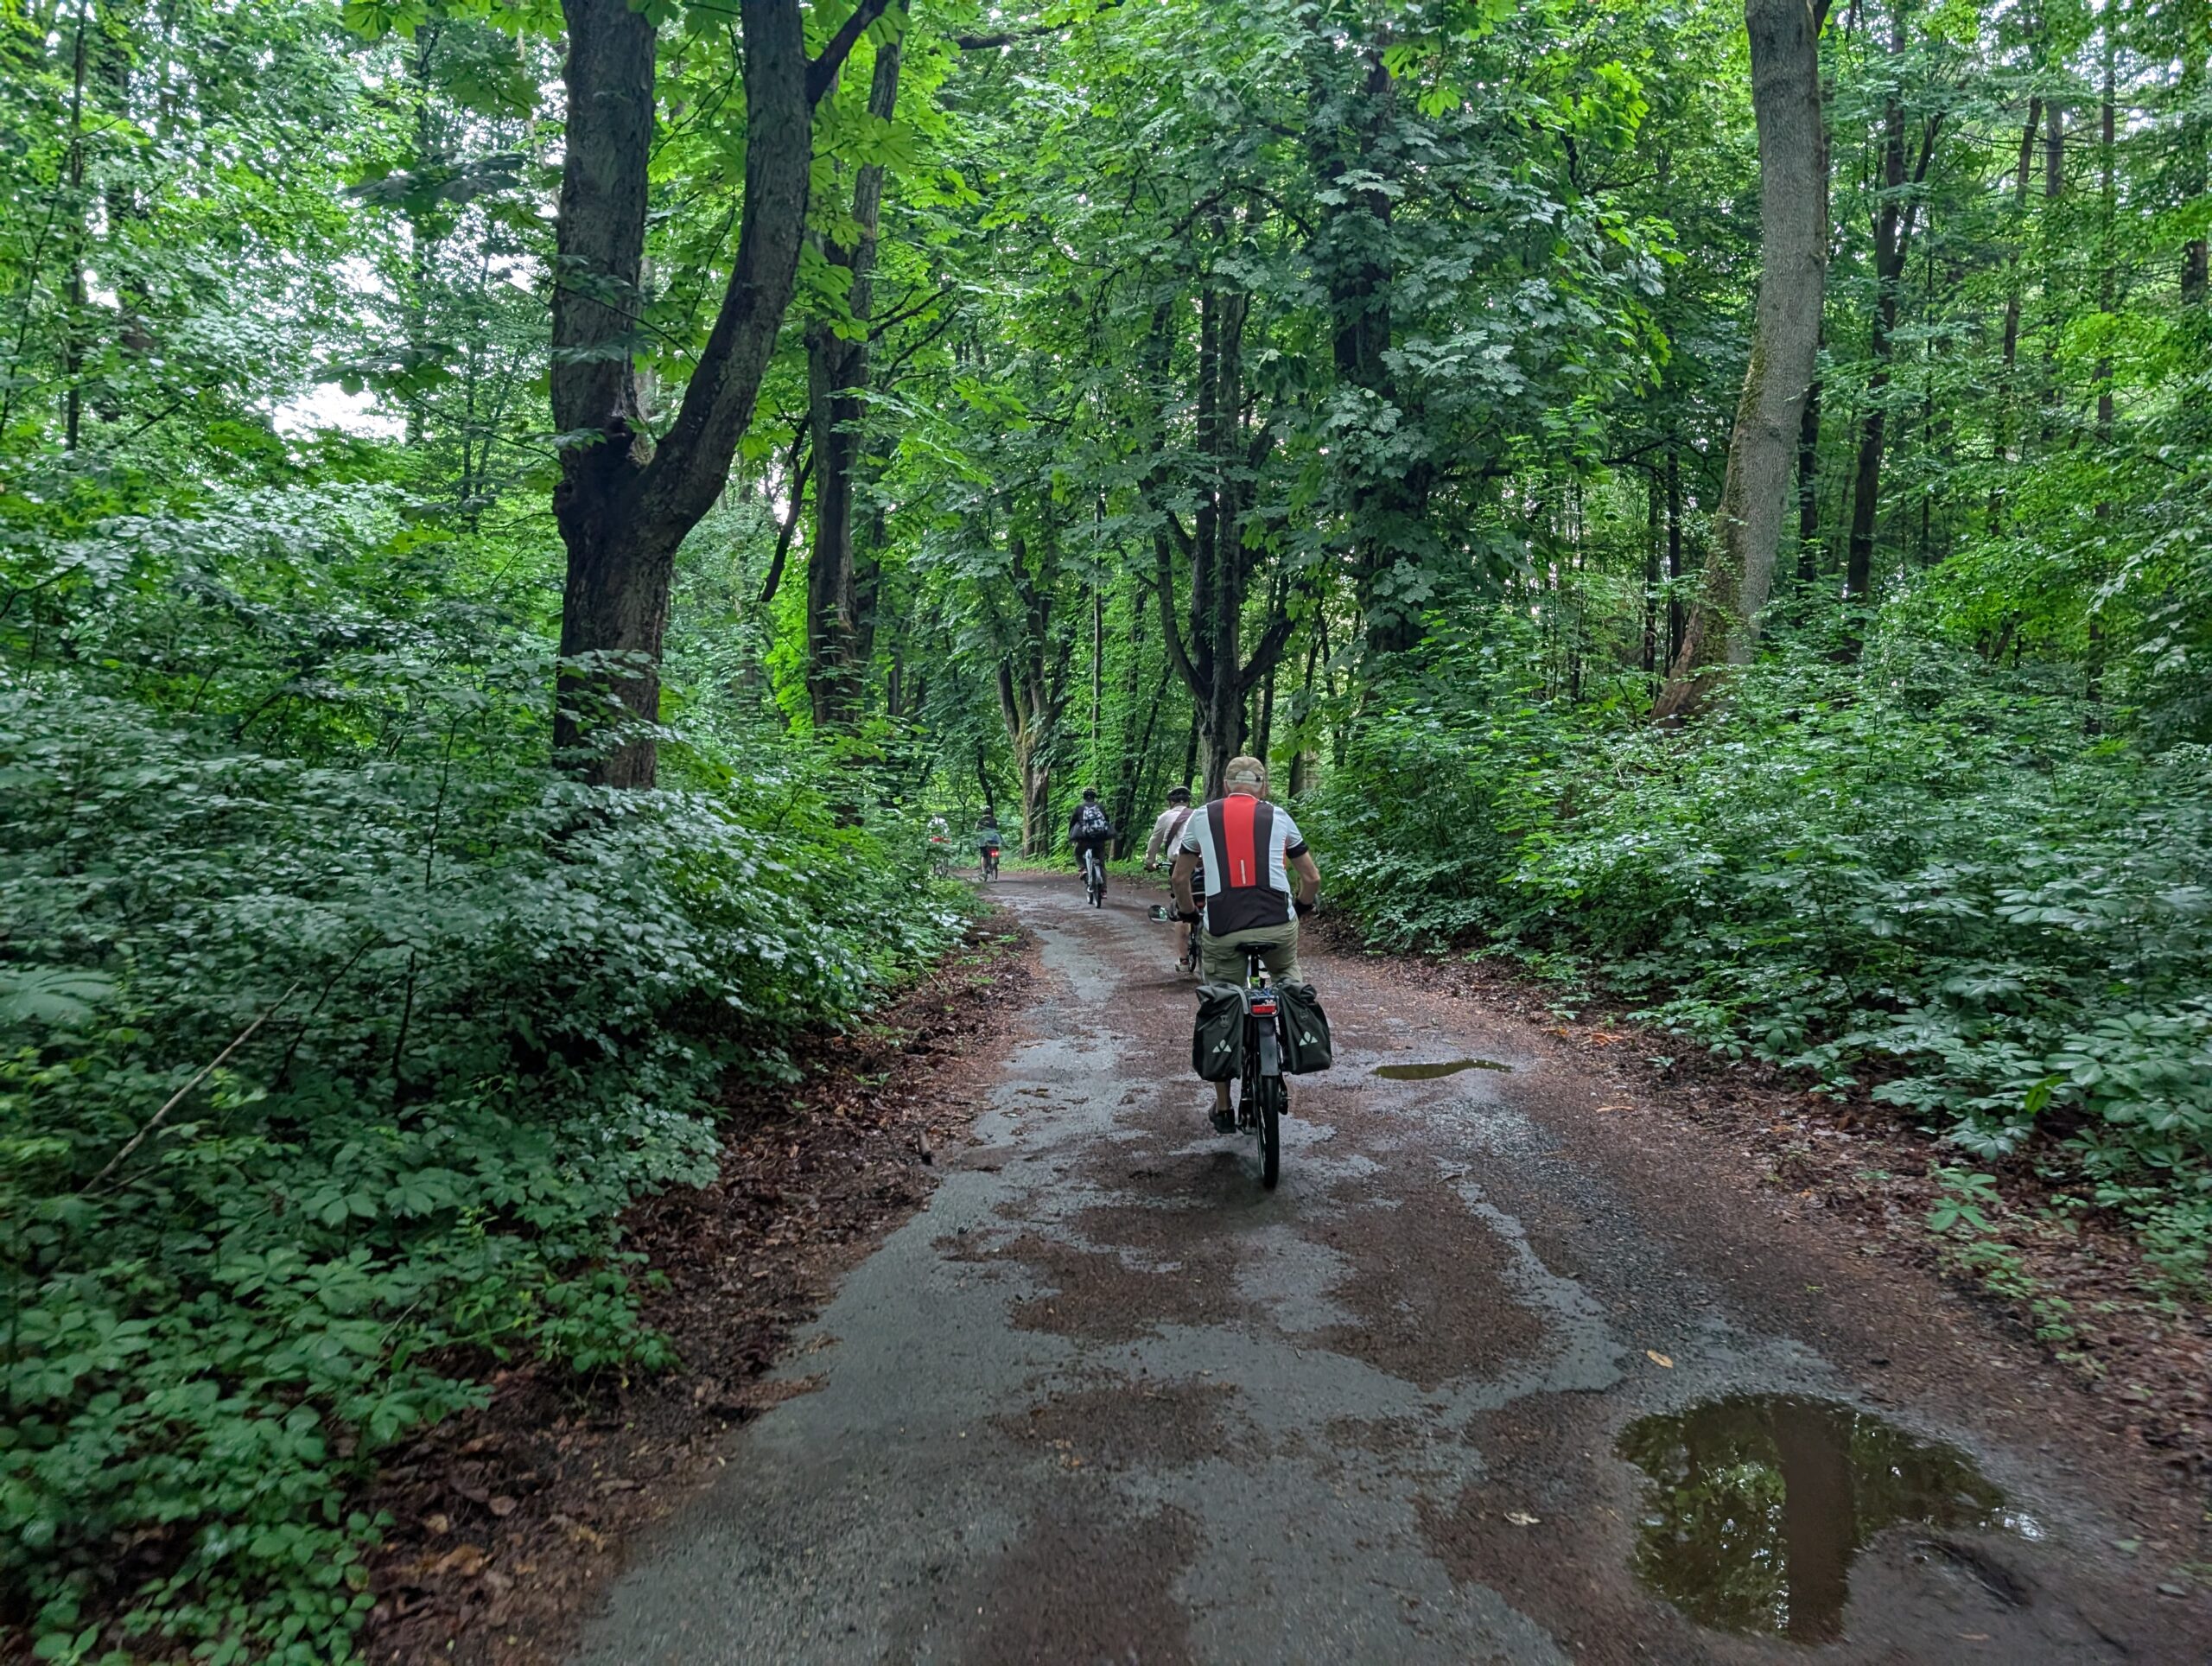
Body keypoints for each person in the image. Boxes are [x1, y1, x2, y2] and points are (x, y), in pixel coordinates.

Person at [1170, 756, 1320, 1126]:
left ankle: (1223, 1107)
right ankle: (1295, 1015)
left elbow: (1179, 879)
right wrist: (1301, 907)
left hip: (1223, 928)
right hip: (1277, 925)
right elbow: (1312, 879)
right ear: (1263, 787)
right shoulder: (1279, 816)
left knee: (1222, 1000)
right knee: (1287, 973)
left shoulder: (1201, 817)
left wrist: (1189, 914)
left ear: (1225, 786)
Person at [1067, 787, 1114, 895]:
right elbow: (1107, 821)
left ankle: (1083, 869)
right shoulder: (1100, 807)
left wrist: (1071, 836)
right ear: (1094, 797)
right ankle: (1103, 890)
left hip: (1084, 839)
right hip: (1099, 840)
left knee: (1078, 852)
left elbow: (1072, 823)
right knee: (1101, 864)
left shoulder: (1079, 808)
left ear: (1084, 797)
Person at [1141, 785, 1197, 870]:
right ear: (1188, 802)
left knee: (1179, 878)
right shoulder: (1198, 815)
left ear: (1171, 802)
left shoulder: (1165, 817)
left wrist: (1150, 863)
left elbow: (1154, 842)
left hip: (1180, 863)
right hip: (1201, 862)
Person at [976, 810, 1001, 877]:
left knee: (984, 855)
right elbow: (997, 829)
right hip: (994, 840)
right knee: (995, 850)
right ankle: (995, 860)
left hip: (984, 840)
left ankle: (983, 871)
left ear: (983, 813)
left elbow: (976, 829)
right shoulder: (994, 820)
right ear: (990, 813)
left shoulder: (980, 820)